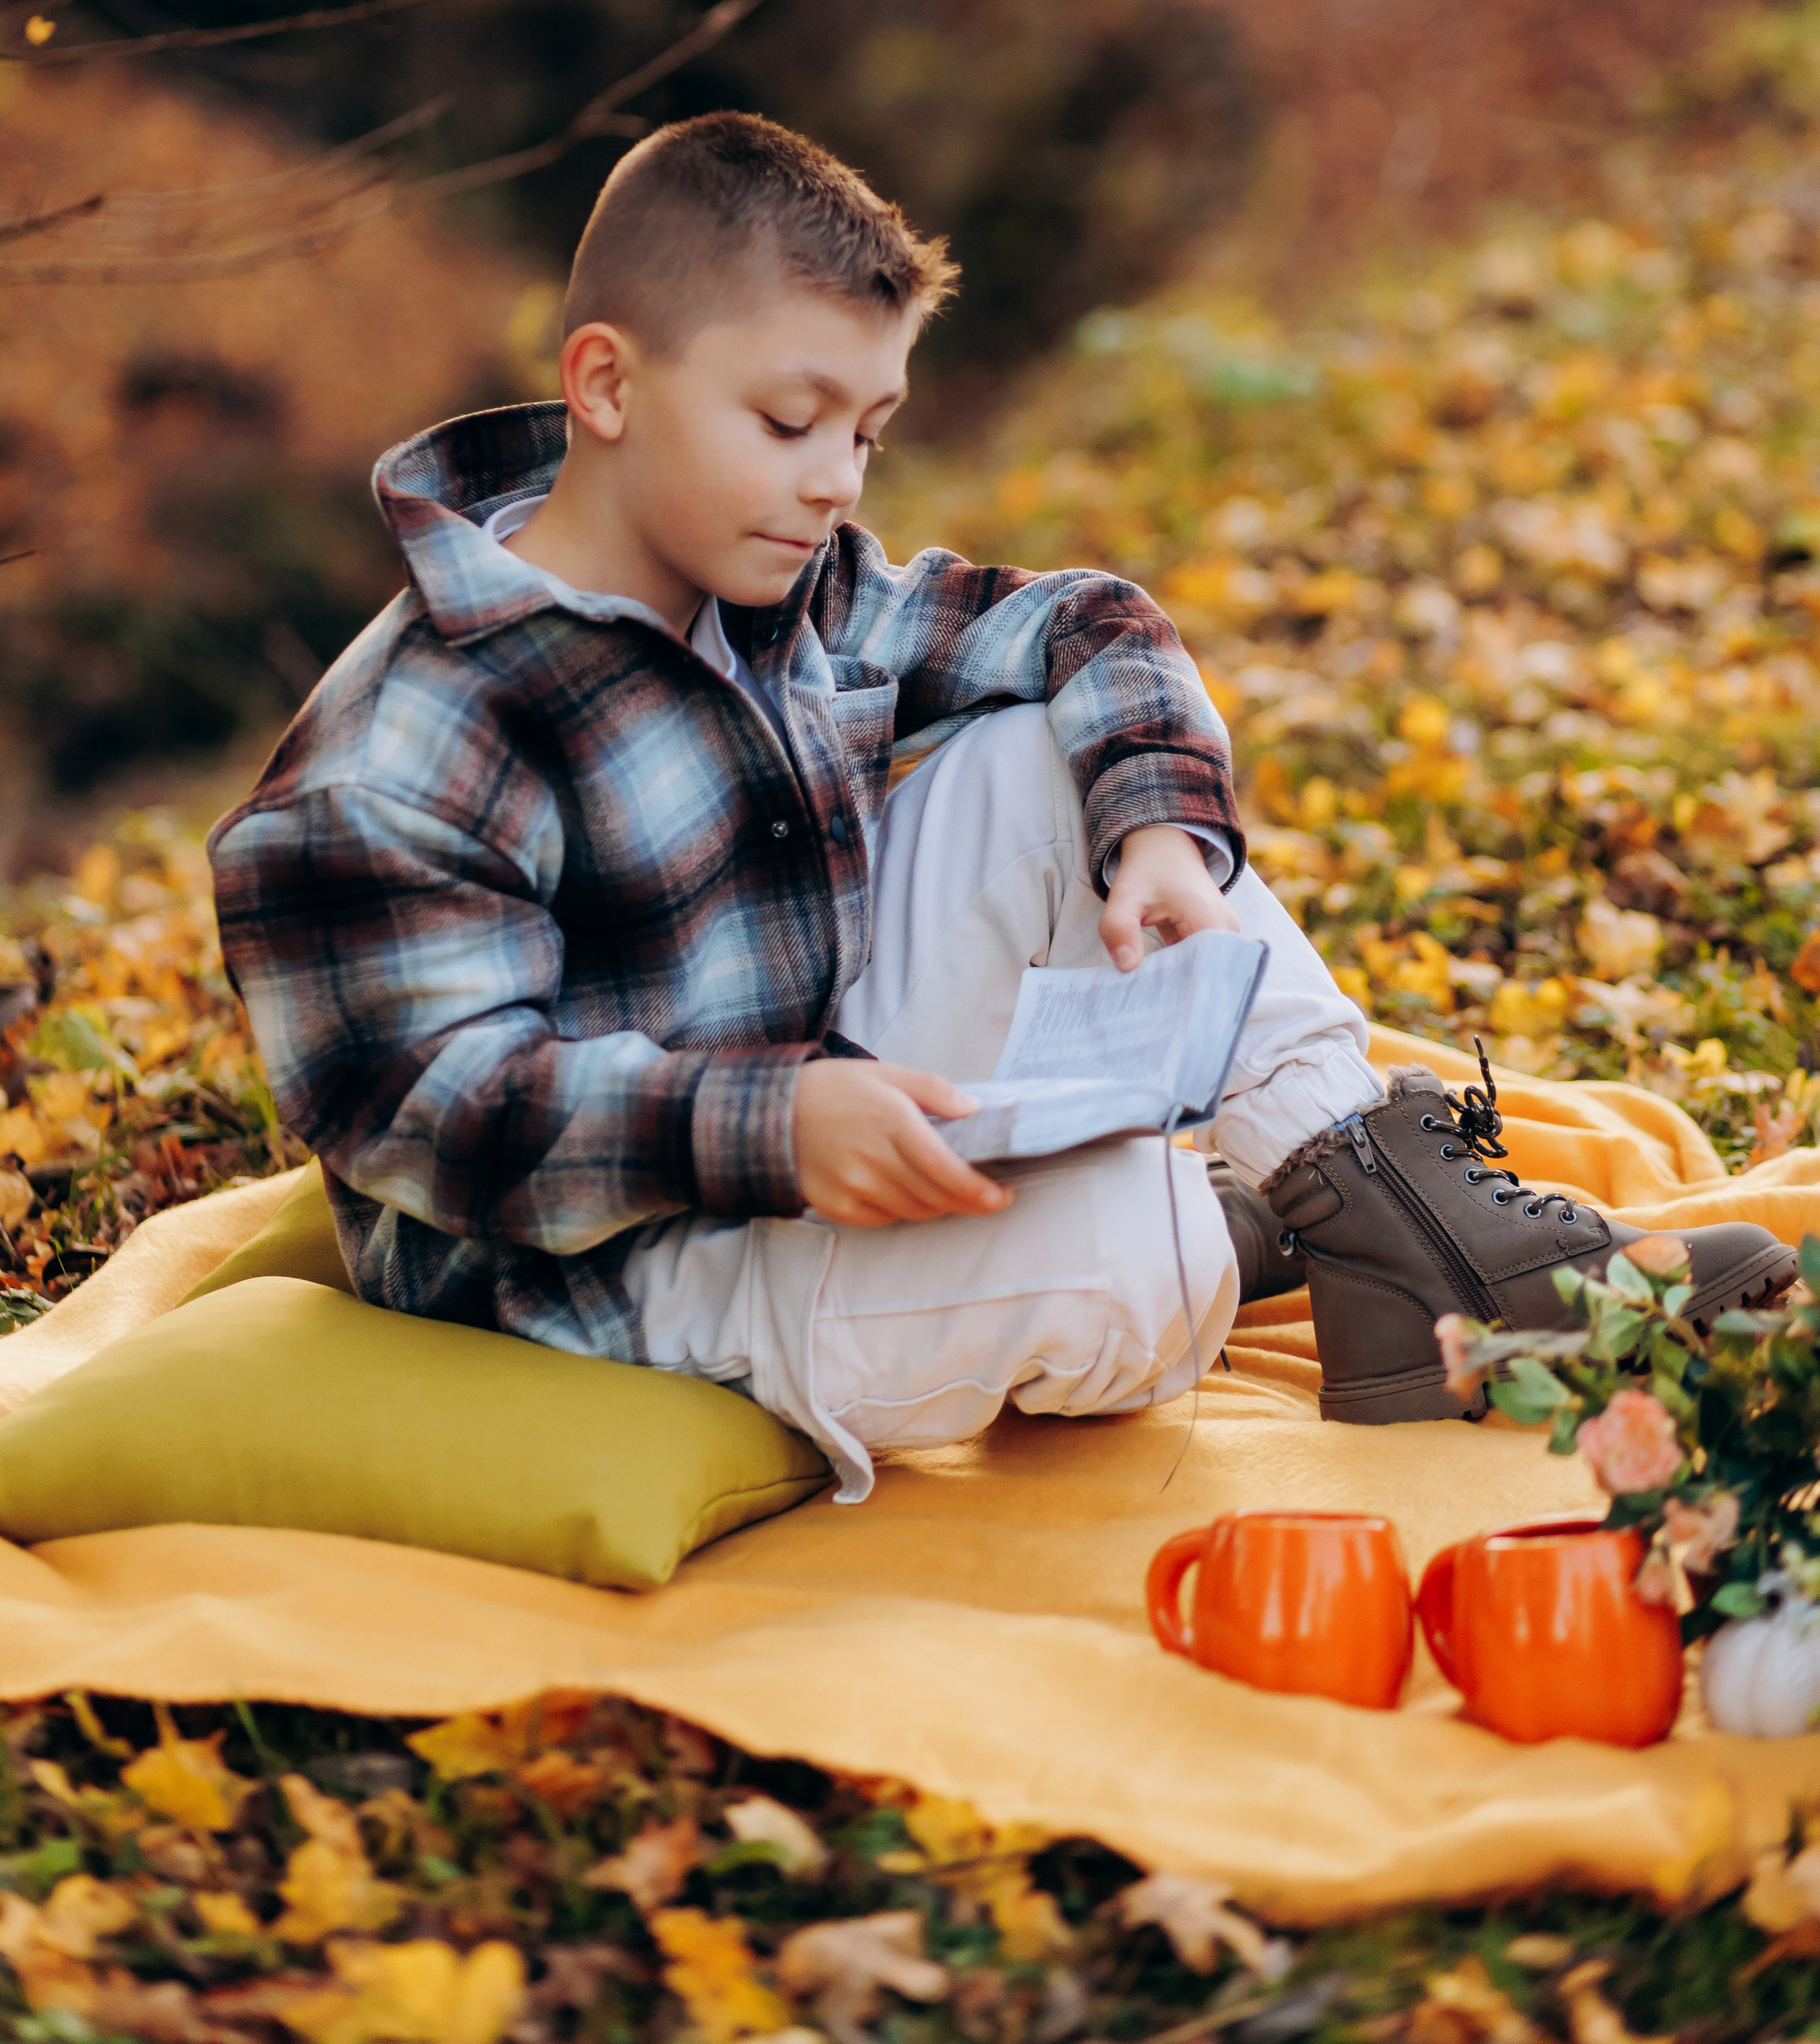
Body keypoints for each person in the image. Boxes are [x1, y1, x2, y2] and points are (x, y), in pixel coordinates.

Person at [209, 114, 1793, 1490]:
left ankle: (1385, 1215)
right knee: (1140, 1257)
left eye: (866, 432)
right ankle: (1241, 1227)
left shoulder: (771, 574)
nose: (837, 479)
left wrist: (1157, 832)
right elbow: (429, 1103)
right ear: (606, 386)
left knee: (1057, 753)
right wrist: (768, 1129)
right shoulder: (404, 747)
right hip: (613, 1282)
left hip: (820, 1075)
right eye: (789, 421)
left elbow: (1084, 622)